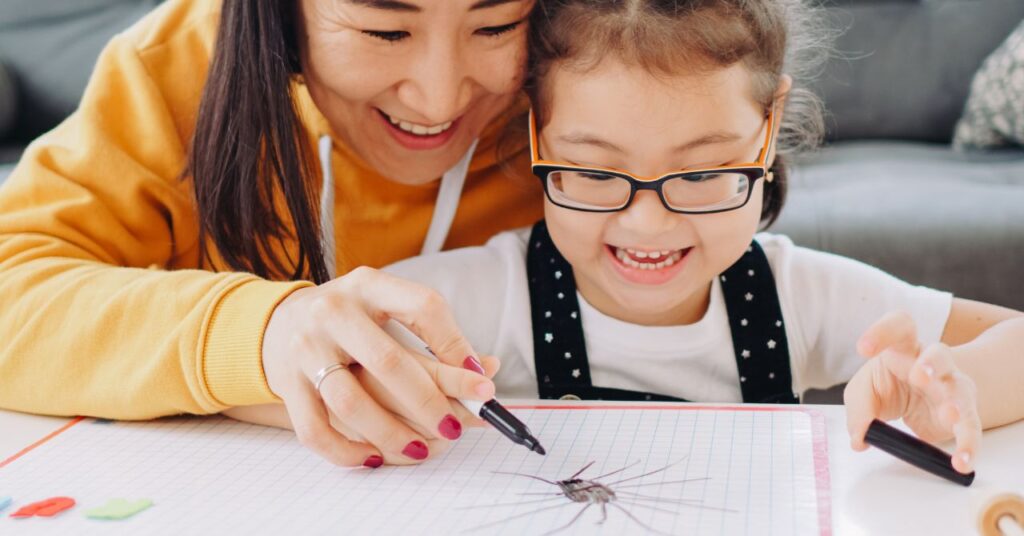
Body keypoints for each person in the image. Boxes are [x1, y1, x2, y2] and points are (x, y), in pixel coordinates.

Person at [238, 0, 1024, 470]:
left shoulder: (802, 295)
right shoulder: (469, 297)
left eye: (704, 171)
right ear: (536, 131)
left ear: (768, 127)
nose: (648, 222)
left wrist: (954, 392)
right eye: (594, 172)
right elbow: (291, 382)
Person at [0, 0, 543, 469]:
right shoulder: (176, 64)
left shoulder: (586, 67)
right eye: (384, 31)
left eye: (497, 26)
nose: (438, 100)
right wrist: (261, 337)